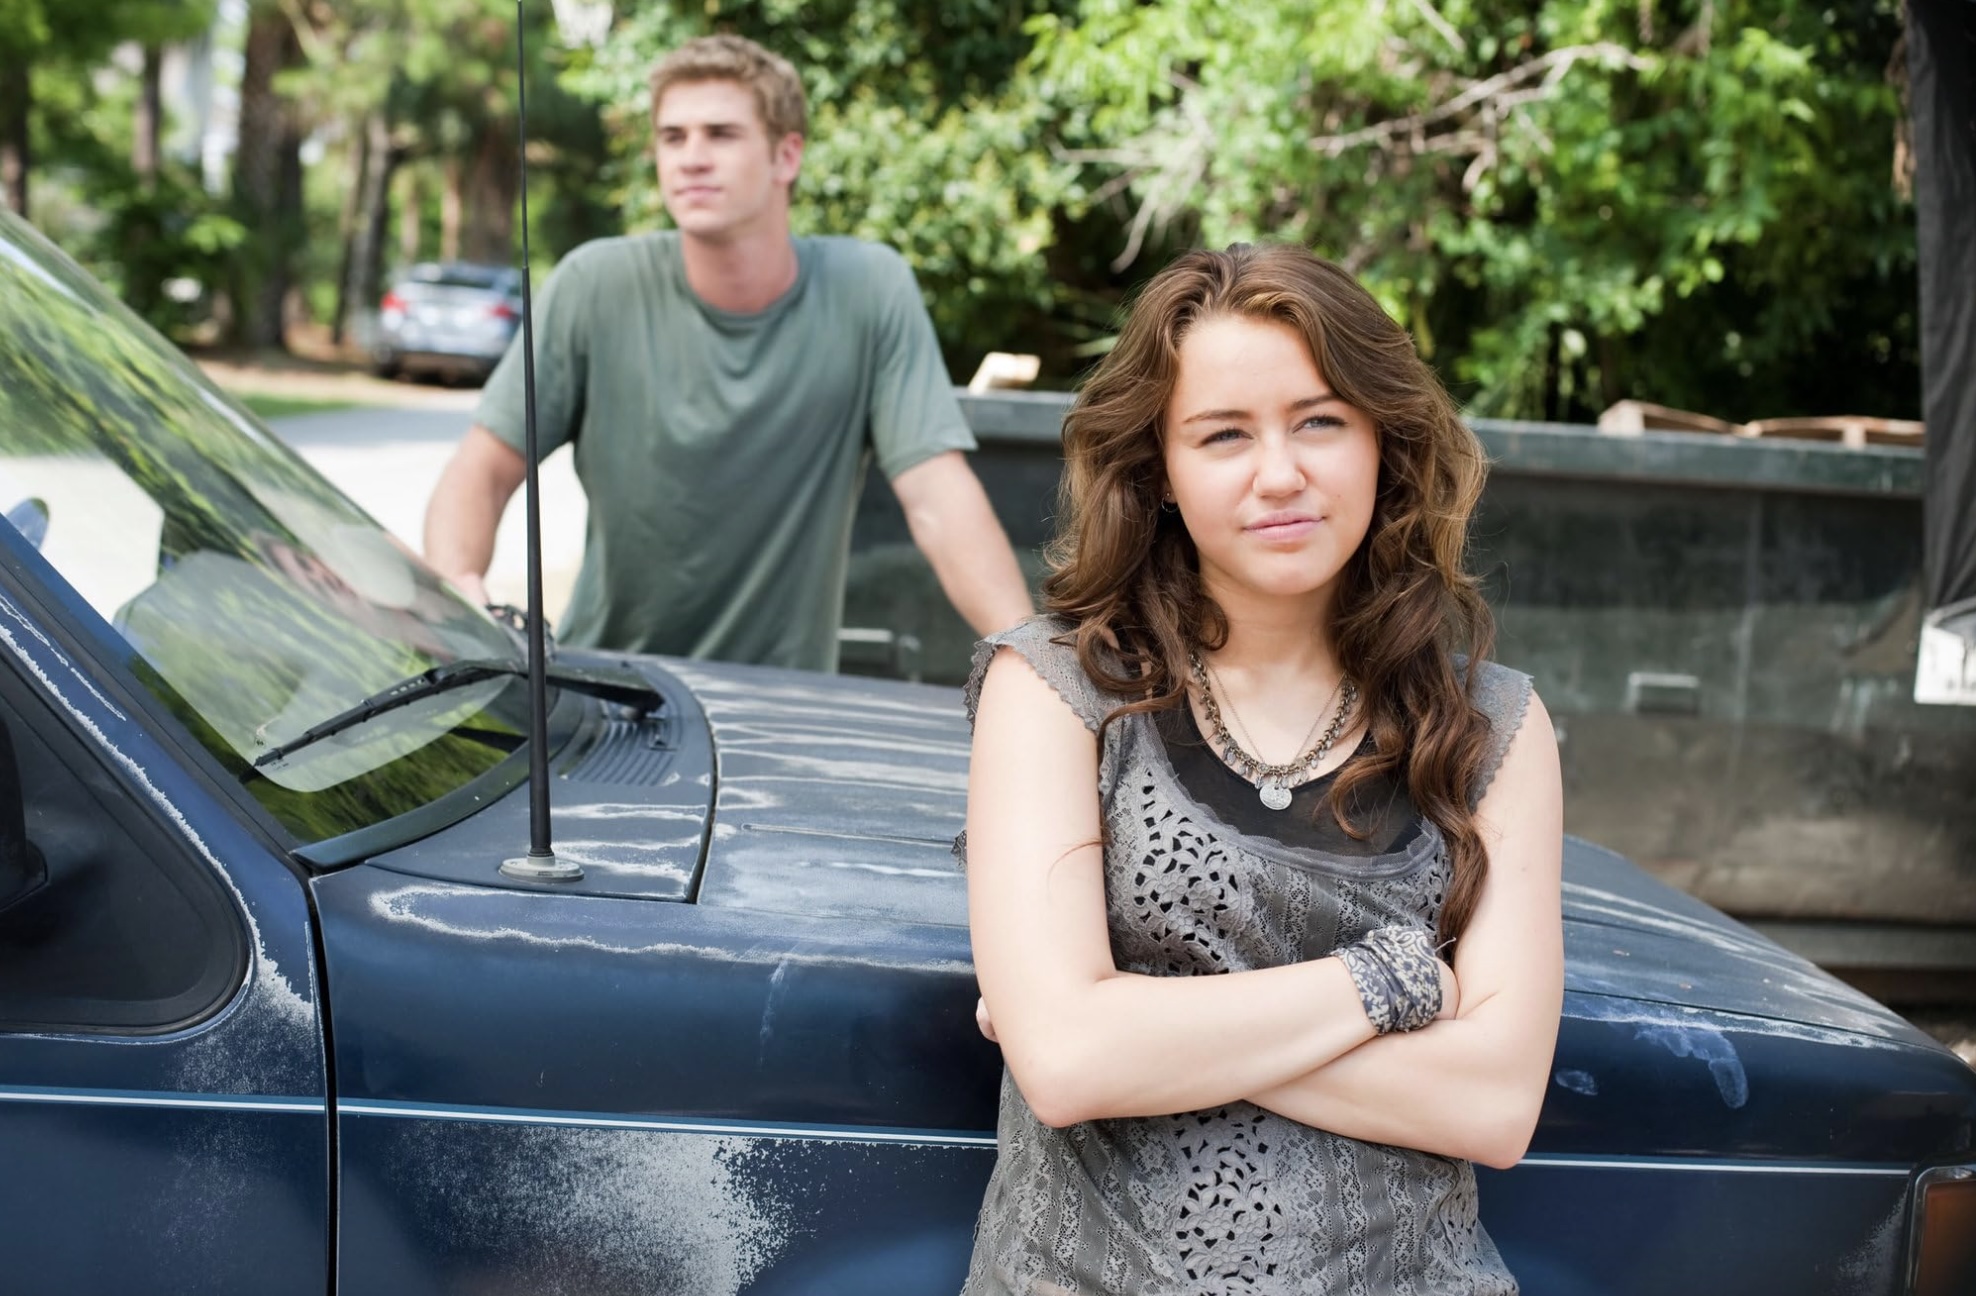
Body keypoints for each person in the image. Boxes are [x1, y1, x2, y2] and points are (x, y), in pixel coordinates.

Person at [960, 243, 1564, 1294]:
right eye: (1222, 434)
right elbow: (1063, 1064)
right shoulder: (1055, 690)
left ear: (1384, 439)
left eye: (1318, 420)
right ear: (1158, 472)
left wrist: (1141, 1025)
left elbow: (1493, 1106)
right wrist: (1395, 981)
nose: (1278, 473)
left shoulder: (1490, 725)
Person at [423, 34, 1032, 671]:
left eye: (720, 134)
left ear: (786, 156)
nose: (691, 158)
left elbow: (938, 498)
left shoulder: (869, 289)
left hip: (783, 705)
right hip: (610, 689)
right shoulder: (593, 285)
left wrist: (1028, 657)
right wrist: (456, 586)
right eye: (672, 137)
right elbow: (484, 470)